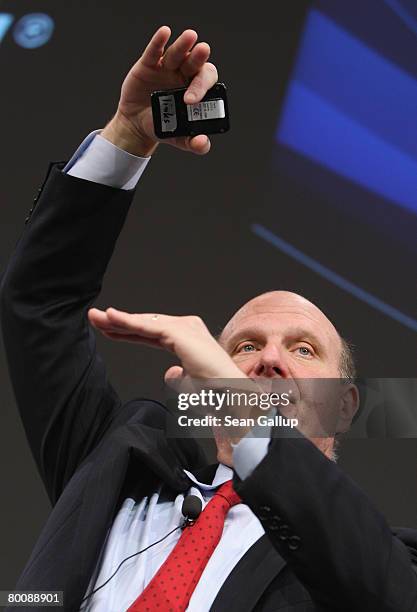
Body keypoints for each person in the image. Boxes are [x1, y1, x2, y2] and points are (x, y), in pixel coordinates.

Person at [1, 25, 416, 612]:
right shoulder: (116, 462)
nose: (269, 360)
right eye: (243, 348)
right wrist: (127, 136)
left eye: (302, 350)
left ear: (344, 404)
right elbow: (40, 301)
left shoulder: (375, 564)